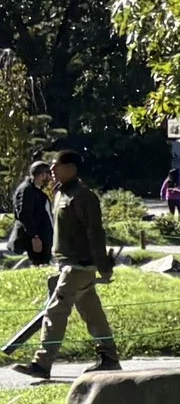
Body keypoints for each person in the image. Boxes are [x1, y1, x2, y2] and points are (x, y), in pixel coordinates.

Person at [10, 149, 118, 378]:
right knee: (93, 313)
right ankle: (109, 357)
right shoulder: (60, 193)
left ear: (71, 169)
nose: (51, 169)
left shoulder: (84, 196)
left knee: (55, 312)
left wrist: (104, 267)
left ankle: (42, 363)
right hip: (68, 264)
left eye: (56, 165)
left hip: (78, 266)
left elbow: (95, 233)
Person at [8, 160, 52, 269]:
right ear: (42, 175)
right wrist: (35, 236)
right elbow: (25, 214)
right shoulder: (27, 190)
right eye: (49, 174)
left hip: (43, 237)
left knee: (44, 265)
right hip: (35, 239)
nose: (50, 178)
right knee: (38, 265)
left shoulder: (36, 190)